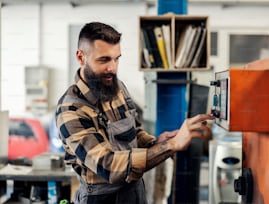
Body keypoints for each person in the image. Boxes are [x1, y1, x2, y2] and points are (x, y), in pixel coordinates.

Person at [55, 22, 214, 204]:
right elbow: (108, 166)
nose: (112, 68)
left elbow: (133, 132)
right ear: (81, 57)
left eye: (117, 59)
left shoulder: (116, 87)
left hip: (134, 192)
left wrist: (156, 142)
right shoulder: (71, 109)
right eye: (104, 60)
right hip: (101, 198)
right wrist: (170, 146)